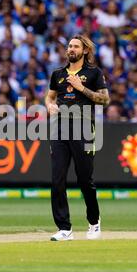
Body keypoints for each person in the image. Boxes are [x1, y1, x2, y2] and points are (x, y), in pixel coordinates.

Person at [45, 34, 110, 241]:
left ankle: (94, 222)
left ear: (84, 51)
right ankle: (64, 228)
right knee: (57, 180)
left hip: (83, 130)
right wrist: (49, 105)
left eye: (75, 46)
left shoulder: (93, 72)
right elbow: (50, 95)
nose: (71, 49)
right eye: (69, 46)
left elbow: (105, 99)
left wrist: (81, 88)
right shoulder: (58, 73)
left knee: (85, 180)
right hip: (59, 130)